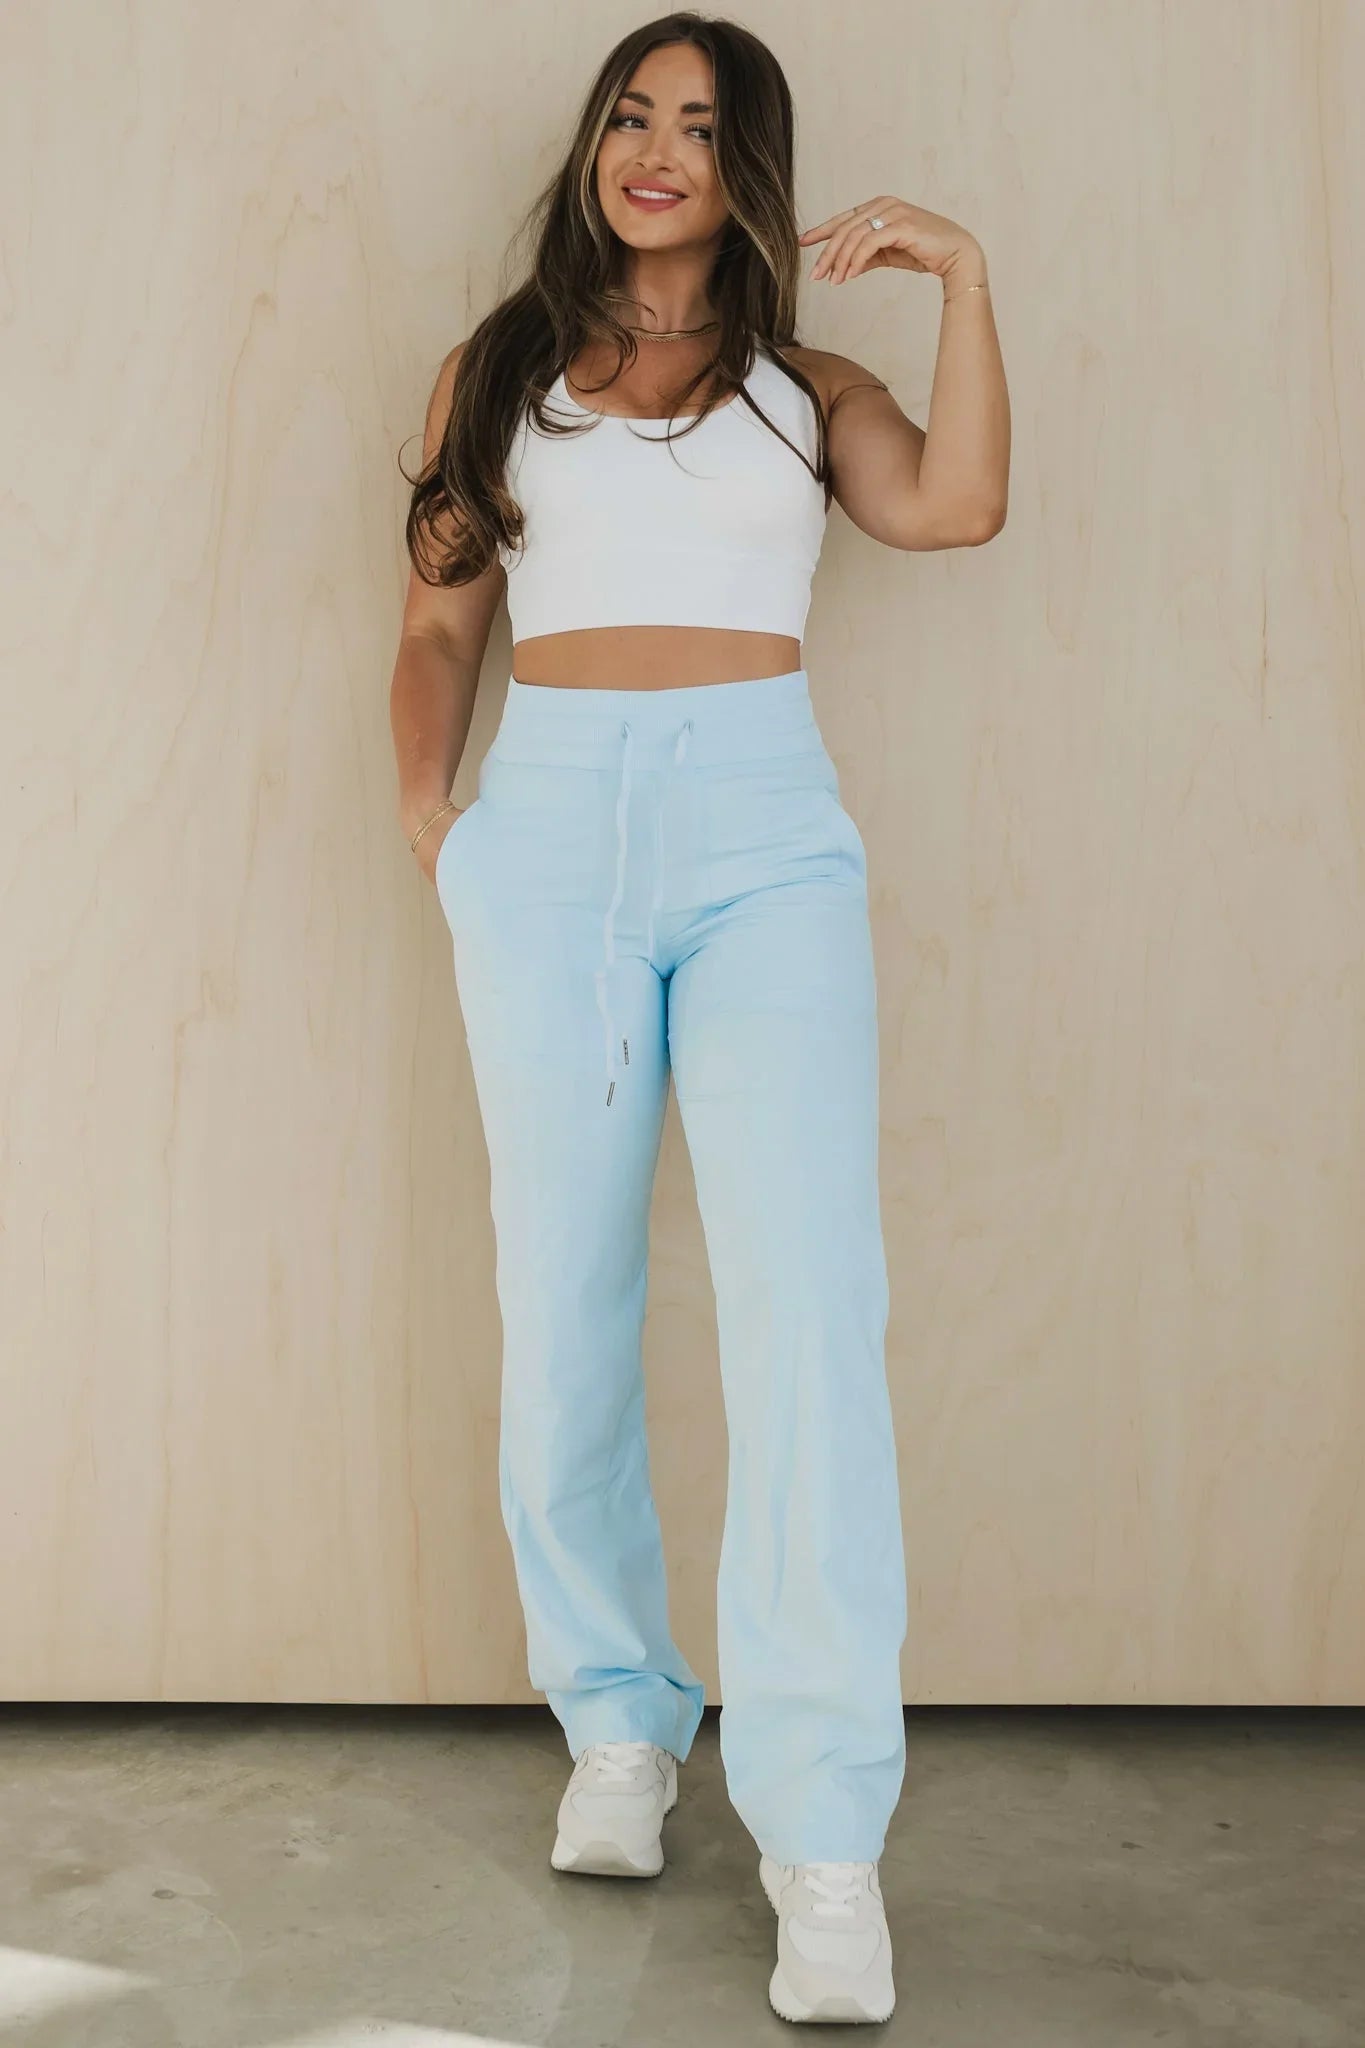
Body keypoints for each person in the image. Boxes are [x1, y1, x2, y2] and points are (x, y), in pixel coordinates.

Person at [389, 11, 1008, 2026]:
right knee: (561, 1296)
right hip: (548, 833)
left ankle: (823, 1839)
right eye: (630, 116)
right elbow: (438, 622)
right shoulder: (494, 372)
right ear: (594, 145)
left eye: (702, 126)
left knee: (807, 1312)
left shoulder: (803, 392)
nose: (656, 150)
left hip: (762, 838)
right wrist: (440, 823)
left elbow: (955, 509)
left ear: (752, 171)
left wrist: (964, 279)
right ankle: (616, 1724)